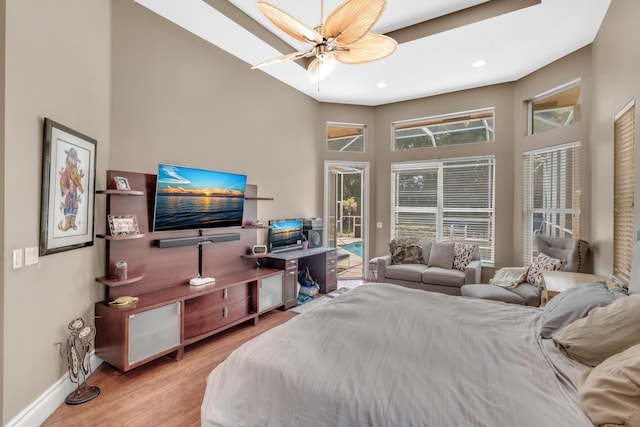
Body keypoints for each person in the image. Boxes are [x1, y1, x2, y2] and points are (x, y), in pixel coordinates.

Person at [58, 147, 85, 231]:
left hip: (74, 193)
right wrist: (64, 188)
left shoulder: (75, 170)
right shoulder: (67, 169)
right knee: (67, 206)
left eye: (73, 158)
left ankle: (72, 223)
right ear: (68, 158)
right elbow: (63, 179)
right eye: (70, 157)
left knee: (74, 206)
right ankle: (67, 223)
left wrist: (79, 186)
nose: (72, 159)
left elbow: (77, 180)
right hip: (68, 192)